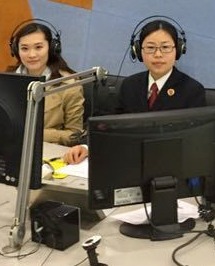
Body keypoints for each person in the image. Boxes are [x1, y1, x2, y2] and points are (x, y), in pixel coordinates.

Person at [63, 18, 204, 163]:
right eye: (150, 48)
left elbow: (194, 142)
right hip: (127, 160)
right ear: (138, 51)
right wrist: (86, 146)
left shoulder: (192, 90)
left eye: (165, 47)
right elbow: (110, 123)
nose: (158, 54)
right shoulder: (130, 85)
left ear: (178, 50)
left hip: (168, 164)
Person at [8, 20, 84, 146]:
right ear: (16, 51)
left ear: (52, 48)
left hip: (46, 150)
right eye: (24, 48)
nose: (32, 55)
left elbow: (75, 135)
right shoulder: (7, 79)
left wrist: (36, 133)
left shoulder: (69, 84)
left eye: (38, 47)